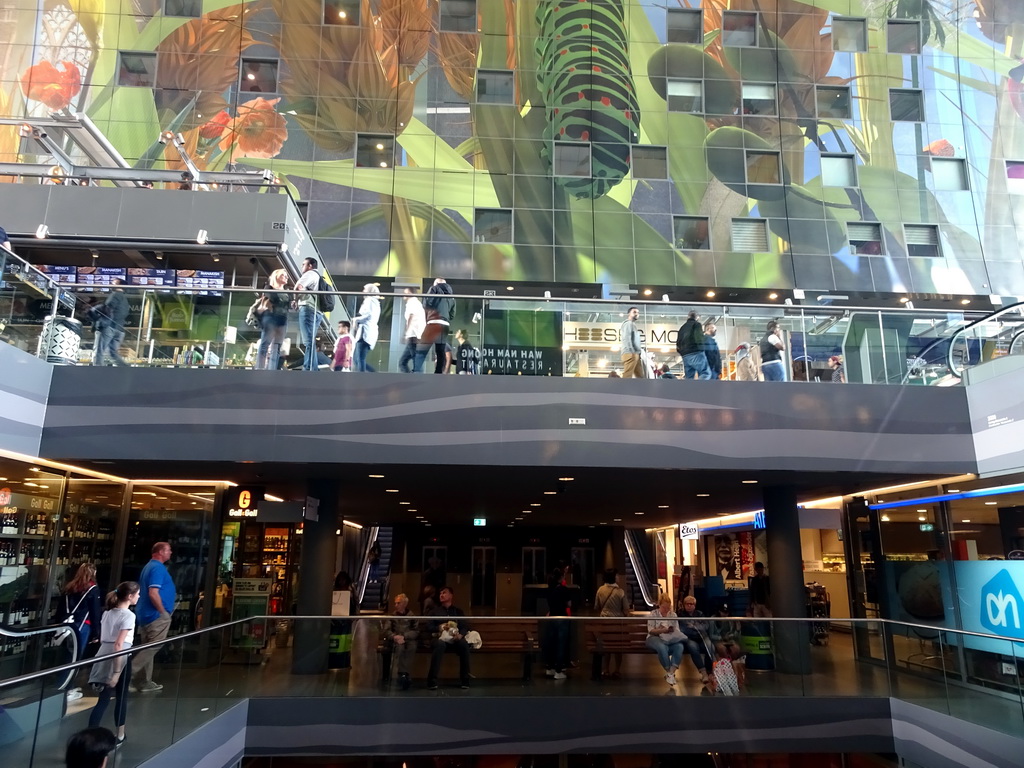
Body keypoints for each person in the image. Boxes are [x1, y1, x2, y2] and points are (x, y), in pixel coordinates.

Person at [87, 581, 141, 744]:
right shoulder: (129, 616)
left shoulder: (107, 613)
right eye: (137, 594)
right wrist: (117, 672)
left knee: (103, 699)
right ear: (130, 596)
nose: (139, 597)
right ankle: (120, 734)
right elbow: (119, 644)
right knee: (121, 697)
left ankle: (90, 736)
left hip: (103, 653)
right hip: (120, 655)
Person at [131, 542, 175, 693]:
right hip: (155, 615)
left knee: (148, 646)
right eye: (168, 550)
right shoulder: (157, 568)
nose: (171, 553)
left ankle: (144, 681)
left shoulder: (149, 566)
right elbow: (153, 592)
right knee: (153, 646)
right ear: (161, 551)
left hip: (146, 614)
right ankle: (127, 673)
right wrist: (163, 612)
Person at [426, 586, 471, 690]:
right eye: (440, 593)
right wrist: (439, 627)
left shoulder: (457, 611)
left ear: (451, 595)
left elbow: (465, 626)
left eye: (444, 593)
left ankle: (465, 680)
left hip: (454, 638)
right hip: (439, 638)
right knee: (440, 645)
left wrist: (460, 635)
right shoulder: (434, 612)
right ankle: (432, 680)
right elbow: (428, 627)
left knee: (463, 644)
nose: (441, 595)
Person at [60, 562, 102, 662]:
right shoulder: (92, 589)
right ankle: (67, 677)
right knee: (75, 657)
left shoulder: (69, 587)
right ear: (93, 573)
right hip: (83, 625)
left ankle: (62, 675)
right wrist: (96, 633)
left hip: (67, 624)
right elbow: (95, 612)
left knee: (67, 655)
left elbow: (61, 608)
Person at [593, 568, 629, 678]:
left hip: (604, 623)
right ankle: (617, 670)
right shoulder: (620, 592)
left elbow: (596, 607)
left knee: (607, 646)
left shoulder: (600, 590)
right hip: (617, 624)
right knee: (618, 648)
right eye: (617, 575)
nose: (618, 577)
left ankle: (606, 669)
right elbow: (626, 610)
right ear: (614, 577)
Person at [415, 278, 456, 373]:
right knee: (440, 352)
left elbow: (426, 304)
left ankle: (416, 372)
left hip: (433, 322)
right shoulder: (452, 296)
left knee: (422, 349)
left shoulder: (434, 288)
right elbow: (452, 315)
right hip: (445, 325)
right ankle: (438, 375)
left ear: (437, 283)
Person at [254, 269, 290, 371]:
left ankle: (272, 370)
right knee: (266, 343)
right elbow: (271, 300)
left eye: (286, 275)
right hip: (271, 317)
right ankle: (260, 368)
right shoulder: (269, 288)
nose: (286, 277)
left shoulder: (288, 291)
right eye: (283, 275)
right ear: (276, 276)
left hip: (283, 319)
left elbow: (288, 306)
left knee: (277, 346)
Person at [646, 594, 686, 686]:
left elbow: (677, 630)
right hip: (654, 637)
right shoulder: (653, 614)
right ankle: (669, 672)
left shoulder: (673, 615)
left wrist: (671, 631)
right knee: (661, 646)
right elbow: (650, 630)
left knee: (679, 646)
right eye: (664, 607)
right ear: (659, 605)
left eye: (668, 607)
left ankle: (671, 673)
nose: (666, 610)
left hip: (670, 638)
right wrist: (662, 630)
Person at [382, 593, 419, 690]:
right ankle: (403, 674)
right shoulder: (392, 616)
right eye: (395, 603)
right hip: (396, 640)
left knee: (412, 647)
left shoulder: (412, 616)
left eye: (398, 603)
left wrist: (404, 636)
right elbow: (386, 630)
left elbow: (416, 631)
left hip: (407, 639)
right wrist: (395, 637)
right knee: (400, 648)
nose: (396, 605)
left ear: (404, 604)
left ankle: (404, 673)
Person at [293, 257, 322, 371]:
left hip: (308, 308)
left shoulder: (310, 274)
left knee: (308, 341)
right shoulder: (319, 277)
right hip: (318, 311)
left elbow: (298, 288)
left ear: (310, 266)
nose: (302, 266)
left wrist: (295, 300)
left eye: (303, 264)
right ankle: (312, 367)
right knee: (310, 341)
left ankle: (309, 368)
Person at [92, 279, 130, 367]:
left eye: (113, 282)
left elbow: (107, 309)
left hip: (109, 327)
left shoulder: (115, 295)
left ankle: (96, 371)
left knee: (99, 350)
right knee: (113, 353)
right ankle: (125, 369)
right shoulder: (125, 300)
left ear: (119, 285)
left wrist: (98, 320)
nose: (110, 284)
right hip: (120, 329)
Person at [678, 595, 714, 686]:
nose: (689, 606)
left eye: (691, 604)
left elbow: (705, 626)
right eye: (687, 604)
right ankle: (703, 672)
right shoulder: (681, 615)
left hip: (702, 637)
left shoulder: (700, 614)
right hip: (690, 638)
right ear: (684, 605)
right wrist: (696, 628)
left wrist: (694, 626)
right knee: (693, 648)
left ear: (694, 605)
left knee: (709, 647)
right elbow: (683, 629)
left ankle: (709, 671)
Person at [709, 602, 746, 688]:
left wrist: (737, 630)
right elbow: (711, 635)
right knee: (722, 649)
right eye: (723, 612)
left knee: (736, 649)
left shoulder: (731, 620)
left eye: (726, 612)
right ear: (719, 611)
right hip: (718, 640)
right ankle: (729, 669)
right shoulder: (713, 620)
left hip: (729, 640)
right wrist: (721, 637)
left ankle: (731, 669)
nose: (725, 614)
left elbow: (735, 635)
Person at [543, 566, 572, 680]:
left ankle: (549, 668)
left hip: (551, 617)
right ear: (561, 577)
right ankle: (558, 670)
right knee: (561, 644)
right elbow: (569, 604)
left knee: (551, 643)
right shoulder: (564, 590)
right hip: (562, 618)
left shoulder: (550, 589)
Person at [352, 283, 381, 372]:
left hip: (365, 333)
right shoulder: (375, 302)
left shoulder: (370, 300)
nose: (363, 291)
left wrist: (355, 319)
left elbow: (368, 315)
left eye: (365, 289)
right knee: (358, 359)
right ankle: (371, 374)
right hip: (367, 332)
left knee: (359, 359)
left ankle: (364, 377)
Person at [676, 310, 710, 380]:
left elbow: (678, 343)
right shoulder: (697, 325)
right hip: (696, 352)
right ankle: (699, 390)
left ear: (688, 317)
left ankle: (689, 391)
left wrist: (683, 353)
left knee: (689, 378)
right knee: (705, 373)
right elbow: (699, 338)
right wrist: (702, 350)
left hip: (685, 355)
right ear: (697, 317)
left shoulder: (682, 328)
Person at [398, 288, 425, 373]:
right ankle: (411, 378)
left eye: (406, 292)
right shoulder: (417, 303)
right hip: (416, 336)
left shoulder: (412, 302)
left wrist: (405, 333)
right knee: (402, 362)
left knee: (415, 361)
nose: (404, 294)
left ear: (411, 293)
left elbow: (410, 317)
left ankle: (417, 380)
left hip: (413, 336)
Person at [619, 307, 644, 378]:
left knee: (640, 376)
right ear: (629, 313)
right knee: (628, 375)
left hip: (634, 353)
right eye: (634, 312)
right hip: (630, 353)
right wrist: (632, 352)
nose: (637, 314)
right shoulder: (628, 323)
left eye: (638, 312)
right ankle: (624, 388)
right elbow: (627, 338)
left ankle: (642, 388)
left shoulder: (632, 324)